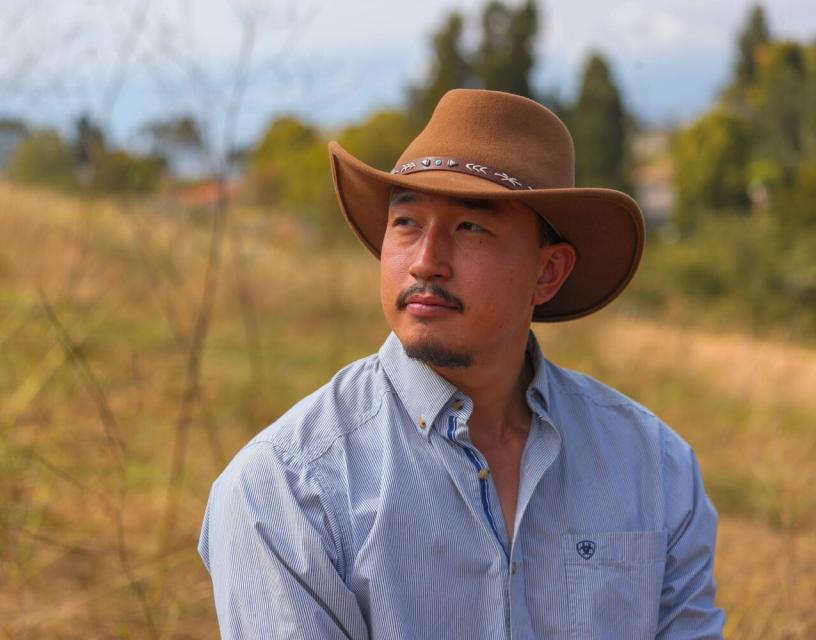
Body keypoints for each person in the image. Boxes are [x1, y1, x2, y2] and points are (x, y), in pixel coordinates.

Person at [198, 89, 725, 639]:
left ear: (548, 273)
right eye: (405, 222)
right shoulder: (287, 488)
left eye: (471, 227)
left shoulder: (651, 466)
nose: (426, 261)